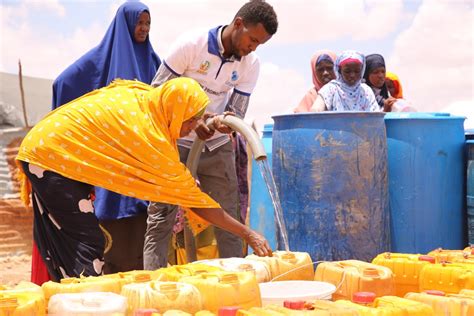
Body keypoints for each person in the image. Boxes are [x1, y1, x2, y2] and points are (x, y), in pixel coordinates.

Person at [16, 78, 272, 281]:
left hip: (50, 151)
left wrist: (205, 119)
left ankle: (67, 300)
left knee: (68, 239)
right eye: (190, 119)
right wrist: (248, 234)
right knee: (86, 241)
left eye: (197, 119)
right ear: (175, 109)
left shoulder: (150, 103)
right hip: (51, 158)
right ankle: (87, 305)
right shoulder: (153, 138)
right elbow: (198, 203)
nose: (192, 127)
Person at [143, 0, 278, 269]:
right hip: (175, 141)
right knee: (162, 217)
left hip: (215, 144)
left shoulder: (250, 64)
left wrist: (223, 123)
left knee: (229, 216)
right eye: (252, 39)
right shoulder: (191, 45)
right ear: (238, 24)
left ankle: (235, 284)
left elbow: (235, 112)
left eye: (259, 44)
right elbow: (156, 93)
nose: (252, 48)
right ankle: (152, 288)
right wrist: (192, 121)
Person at [50, 1, 161, 275]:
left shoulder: (154, 62)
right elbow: (62, 83)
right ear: (125, 24)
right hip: (111, 161)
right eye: (139, 23)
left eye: (148, 23)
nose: (144, 29)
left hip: (143, 161)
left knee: (144, 235)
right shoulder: (100, 58)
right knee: (114, 234)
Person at [310, 50, 379, 112]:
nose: (352, 75)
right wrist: (318, 109)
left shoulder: (366, 91)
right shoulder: (330, 89)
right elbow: (316, 109)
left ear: (362, 71)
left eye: (357, 71)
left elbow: (376, 114)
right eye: (347, 71)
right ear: (339, 70)